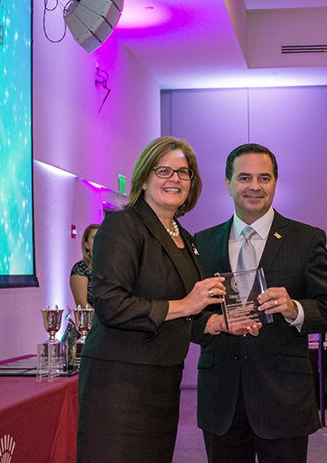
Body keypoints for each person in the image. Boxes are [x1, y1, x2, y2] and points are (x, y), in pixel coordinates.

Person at [76, 136, 255, 463]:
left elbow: (186, 315)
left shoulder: (185, 238)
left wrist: (217, 323)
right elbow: (110, 305)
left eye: (183, 173)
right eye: (164, 170)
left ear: (192, 183)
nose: (174, 179)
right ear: (144, 179)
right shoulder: (122, 226)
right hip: (120, 384)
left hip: (163, 381)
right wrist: (188, 304)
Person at [193, 143, 327, 463]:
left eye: (264, 178)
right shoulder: (201, 242)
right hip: (221, 397)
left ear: (275, 182)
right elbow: (186, 314)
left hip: (284, 399)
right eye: (244, 178)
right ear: (228, 183)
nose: (254, 186)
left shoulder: (306, 239)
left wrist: (295, 309)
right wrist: (211, 323)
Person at [70, 223, 99, 307]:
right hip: (91, 318)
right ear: (86, 245)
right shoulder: (80, 269)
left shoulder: (111, 267)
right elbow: (82, 304)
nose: (99, 240)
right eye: (94, 238)